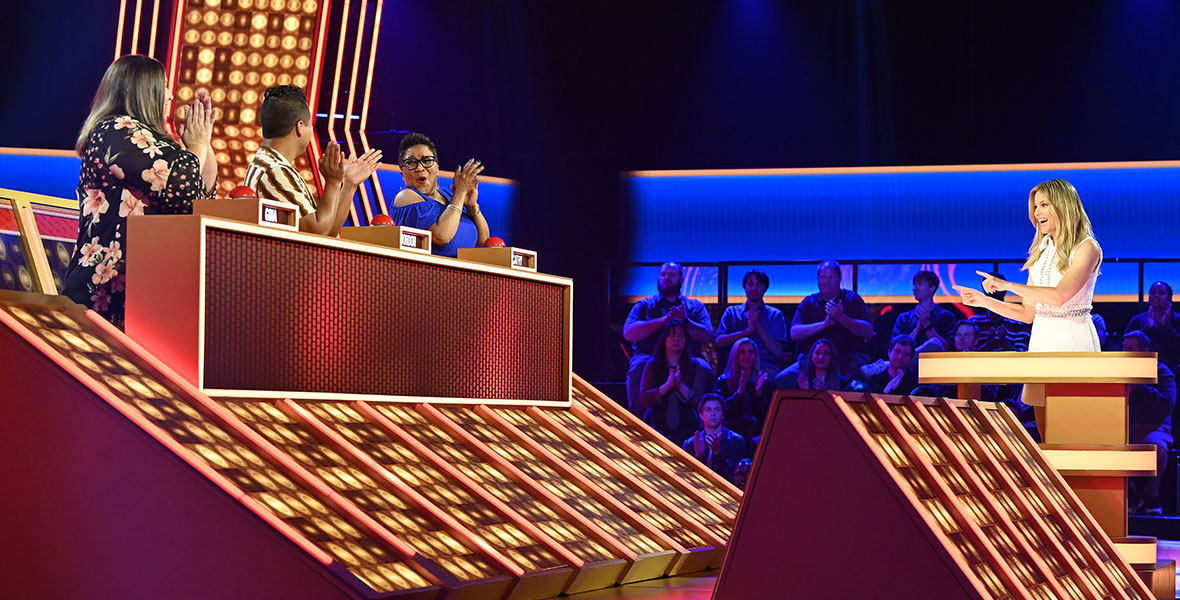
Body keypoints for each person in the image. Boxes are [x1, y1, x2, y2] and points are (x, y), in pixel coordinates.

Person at [61, 55, 217, 329]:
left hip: (140, 295)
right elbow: (182, 187)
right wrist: (197, 146)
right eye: (164, 87)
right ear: (145, 91)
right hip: (104, 293)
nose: (170, 96)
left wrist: (205, 138)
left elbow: (200, 199)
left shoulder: (154, 143)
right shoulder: (117, 130)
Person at [954, 179, 1102, 425]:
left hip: (1073, 341)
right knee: (1046, 432)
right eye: (1035, 206)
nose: (1037, 213)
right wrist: (984, 302)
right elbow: (1027, 313)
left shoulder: (1087, 248)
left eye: (1044, 205)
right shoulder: (1041, 253)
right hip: (1042, 342)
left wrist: (1007, 285)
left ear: (1062, 206)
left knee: (1073, 427)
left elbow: (1059, 296)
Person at [242, 85, 382, 237]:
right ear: (300, 127)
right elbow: (318, 233)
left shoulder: (269, 163)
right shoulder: (275, 171)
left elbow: (329, 230)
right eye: (311, 125)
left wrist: (349, 185)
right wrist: (333, 182)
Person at [622, 262, 713, 416]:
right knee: (639, 365)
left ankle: (705, 423)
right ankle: (635, 424)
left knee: (704, 367)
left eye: (671, 275)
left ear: (681, 279)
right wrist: (663, 320)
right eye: (663, 274)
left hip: (687, 359)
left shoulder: (695, 306)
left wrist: (685, 320)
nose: (666, 278)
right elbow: (629, 333)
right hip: (649, 357)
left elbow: (707, 335)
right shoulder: (645, 305)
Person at [390, 132, 489, 256]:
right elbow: (442, 236)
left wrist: (472, 207)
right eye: (411, 162)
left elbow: (482, 241)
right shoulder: (405, 197)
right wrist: (460, 193)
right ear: (402, 174)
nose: (420, 168)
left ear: (437, 169)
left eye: (427, 161)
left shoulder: (448, 195)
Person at [787, 261, 873, 376]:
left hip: (848, 358)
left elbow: (868, 331)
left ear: (839, 279)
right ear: (818, 279)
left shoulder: (853, 299)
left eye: (830, 277)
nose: (826, 281)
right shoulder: (809, 302)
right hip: (812, 360)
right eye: (823, 277)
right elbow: (794, 333)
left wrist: (841, 318)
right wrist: (824, 325)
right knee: (782, 379)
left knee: (856, 378)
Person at [1123, 331, 1175, 514]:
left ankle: (1151, 495)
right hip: (1124, 427)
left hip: (1154, 427)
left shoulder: (1161, 372)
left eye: (1131, 349)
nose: (1126, 352)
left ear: (1145, 351)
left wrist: (1140, 386)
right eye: (1124, 349)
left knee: (1157, 447)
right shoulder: (1118, 370)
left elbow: (1167, 405)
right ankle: (1131, 493)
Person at [639, 320, 715, 446]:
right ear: (665, 338)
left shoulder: (695, 366)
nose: (676, 339)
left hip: (689, 429)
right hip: (657, 427)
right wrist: (666, 387)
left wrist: (680, 386)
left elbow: (699, 401)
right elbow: (644, 398)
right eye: (673, 335)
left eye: (681, 336)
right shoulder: (653, 365)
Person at [714, 269, 789, 376]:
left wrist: (756, 324)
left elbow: (777, 351)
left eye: (759, 285)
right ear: (744, 287)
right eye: (750, 284)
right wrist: (746, 332)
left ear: (765, 288)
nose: (754, 288)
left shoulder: (775, 315)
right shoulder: (731, 312)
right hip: (734, 367)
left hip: (765, 368)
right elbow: (718, 341)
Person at [712, 337, 773, 439]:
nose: (747, 356)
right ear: (735, 355)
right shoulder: (723, 382)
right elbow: (720, 412)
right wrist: (739, 393)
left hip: (758, 433)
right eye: (742, 353)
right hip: (731, 432)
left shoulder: (763, 382)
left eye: (750, 352)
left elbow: (768, 416)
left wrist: (758, 395)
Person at [681, 394, 748, 484]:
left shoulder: (736, 441)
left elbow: (735, 478)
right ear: (701, 415)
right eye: (708, 410)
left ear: (723, 415)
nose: (712, 414)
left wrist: (717, 453)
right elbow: (684, 476)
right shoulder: (690, 443)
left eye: (717, 410)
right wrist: (698, 457)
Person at [892, 271, 956, 355]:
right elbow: (895, 350)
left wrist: (927, 325)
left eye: (919, 284)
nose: (915, 288)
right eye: (914, 285)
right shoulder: (904, 318)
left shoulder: (947, 317)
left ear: (932, 287)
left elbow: (947, 348)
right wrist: (917, 330)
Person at [965, 272, 1031, 353]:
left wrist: (1004, 341)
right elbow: (966, 354)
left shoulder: (1018, 322)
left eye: (996, 288)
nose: (993, 291)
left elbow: (1023, 355)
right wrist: (988, 345)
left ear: (1005, 291)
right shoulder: (974, 321)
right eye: (989, 287)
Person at [1125, 281, 1180, 372]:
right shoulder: (1138, 320)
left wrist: (1166, 326)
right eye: (1153, 292)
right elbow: (1127, 344)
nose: (1156, 295)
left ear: (1169, 298)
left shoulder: (1177, 319)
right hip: (1141, 368)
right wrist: (1148, 329)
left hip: (1174, 369)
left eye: (1161, 293)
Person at [776, 338, 862, 391]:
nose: (821, 357)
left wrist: (824, 392)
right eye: (817, 353)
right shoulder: (802, 382)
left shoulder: (842, 383)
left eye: (826, 354)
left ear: (832, 358)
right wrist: (805, 392)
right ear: (811, 357)